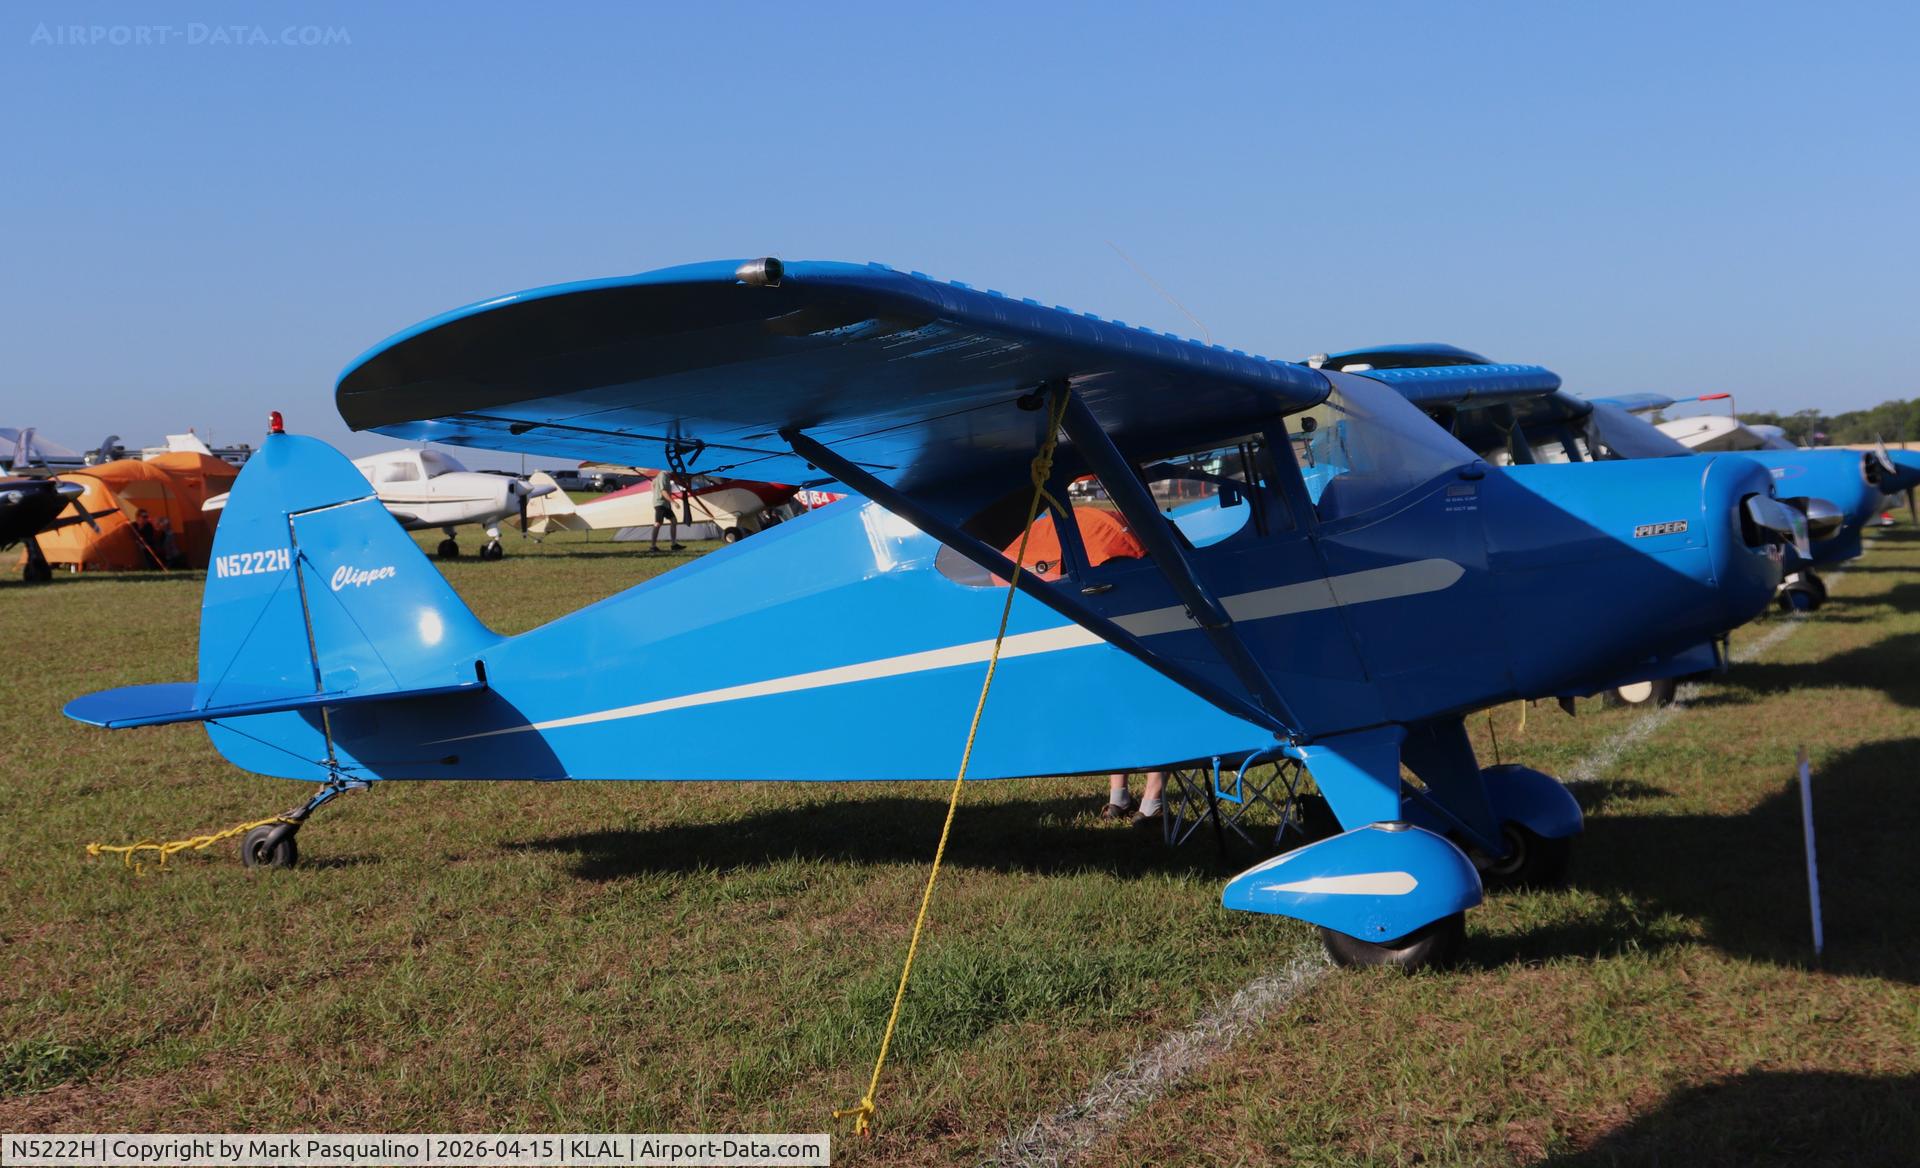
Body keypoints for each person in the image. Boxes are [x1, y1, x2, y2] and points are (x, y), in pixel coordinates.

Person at [648, 469, 685, 552]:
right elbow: (663, 491)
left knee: (673, 520)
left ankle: (674, 544)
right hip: (660, 503)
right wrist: (674, 502)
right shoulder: (663, 475)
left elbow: (653, 484)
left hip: (664, 503)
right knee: (658, 523)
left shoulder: (664, 476)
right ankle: (653, 546)